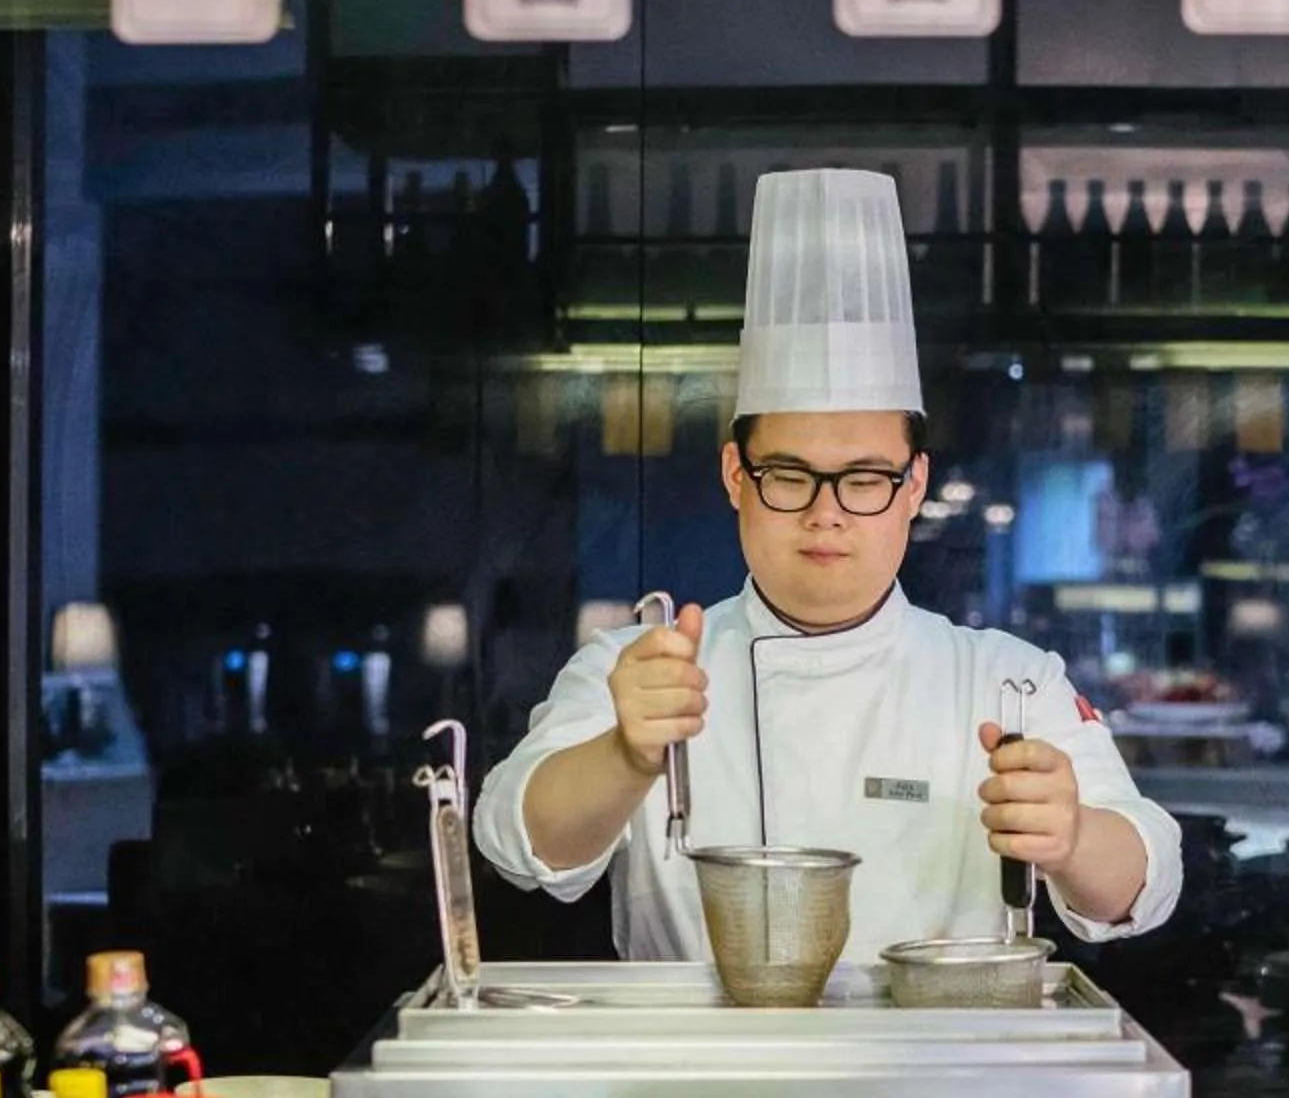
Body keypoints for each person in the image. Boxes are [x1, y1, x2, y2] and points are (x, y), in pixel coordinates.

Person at [474, 169, 1182, 962]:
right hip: (693, 1046)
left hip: (938, 1043)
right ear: (736, 475)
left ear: (913, 485)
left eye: (865, 479)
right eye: (789, 475)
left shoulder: (1006, 682)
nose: (827, 512)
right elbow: (514, 844)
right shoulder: (640, 669)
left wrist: (1072, 836)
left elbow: (1145, 883)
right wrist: (625, 754)